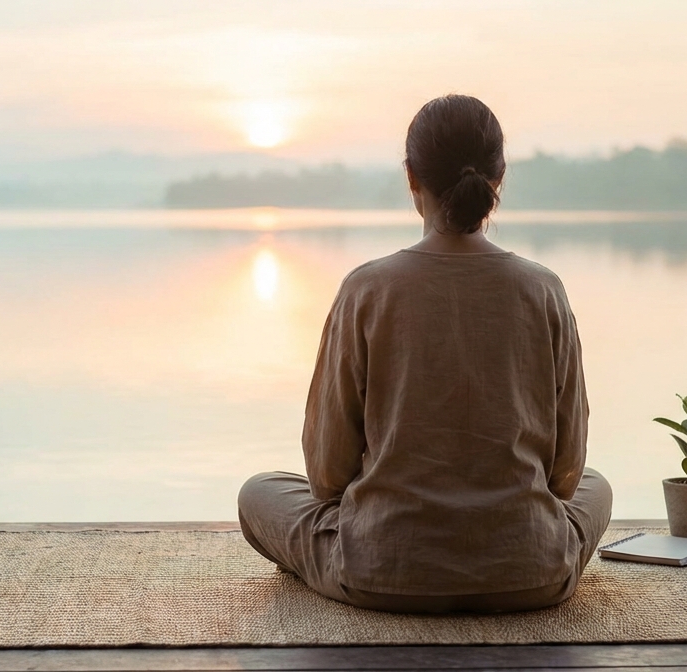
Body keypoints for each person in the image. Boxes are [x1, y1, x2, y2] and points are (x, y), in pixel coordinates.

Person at [237, 94, 612, 613]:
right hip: (531, 570)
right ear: (498, 178)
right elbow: (568, 472)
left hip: (381, 572)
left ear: (412, 177)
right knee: (598, 487)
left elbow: (325, 476)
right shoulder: (543, 289)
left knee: (260, 493)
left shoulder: (366, 289)